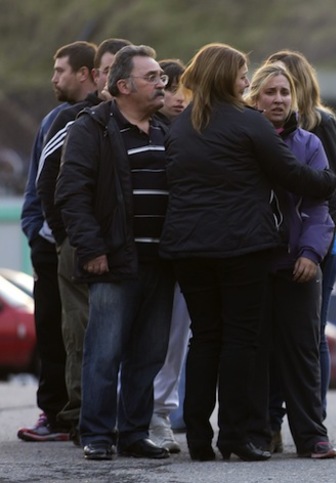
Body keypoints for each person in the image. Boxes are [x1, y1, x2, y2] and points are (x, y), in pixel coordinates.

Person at [159, 43, 336, 462]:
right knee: (242, 339)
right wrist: (329, 183)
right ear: (225, 77)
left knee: (203, 339)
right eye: (242, 74)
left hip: (187, 247)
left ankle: (199, 436)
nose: (246, 79)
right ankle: (235, 436)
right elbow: (290, 172)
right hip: (240, 246)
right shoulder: (248, 122)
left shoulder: (183, 126)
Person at [56, 44, 175, 461]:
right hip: (112, 262)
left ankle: (134, 433)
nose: (162, 84)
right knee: (103, 353)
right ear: (123, 86)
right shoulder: (92, 127)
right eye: (152, 78)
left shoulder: (166, 130)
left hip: (161, 263)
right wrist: (91, 249)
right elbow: (71, 193)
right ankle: (98, 435)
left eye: (162, 77)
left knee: (149, 354)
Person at [36, 38, 131, 446]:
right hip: (80, 245)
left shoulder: (147, 120)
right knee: (82, 334)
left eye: (118, 70)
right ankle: (81, 419)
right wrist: (68, 238)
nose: (111, 77)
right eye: (106, 69)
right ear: (96, 75)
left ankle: (129, 420)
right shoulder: (76, 119)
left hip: (128, 247)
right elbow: (48, 182)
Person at [244, 63, 336, 459]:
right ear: (254, 98)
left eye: (285, 92)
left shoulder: (309, 144)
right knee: (255, 351)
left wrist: (311, 253)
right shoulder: (241, 142)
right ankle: (260, 431)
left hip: (298, 265)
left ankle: (312, 435)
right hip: (252, 265)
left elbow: (320, 209)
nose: (279, 99)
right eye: (270, 92)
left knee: (302, 353)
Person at [17, 40, 97, 443]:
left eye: (60, 70)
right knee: (52, 331)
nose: (54, 78)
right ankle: (54, 413)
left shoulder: (100, 117)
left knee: (82, 331)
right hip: (52, 245)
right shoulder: (54, 119)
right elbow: (39, 182)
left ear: (84, 72)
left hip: (84, 243)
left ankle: (85, 414)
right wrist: (39, 231)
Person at [148, 57, 190, 454]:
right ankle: (130, 412)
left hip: (181, 248)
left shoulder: (195, 131)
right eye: (172, 89)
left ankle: (160, 413)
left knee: (176, 337)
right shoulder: (143, 131)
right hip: (143, 250)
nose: (179, 98)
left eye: (185, 90)